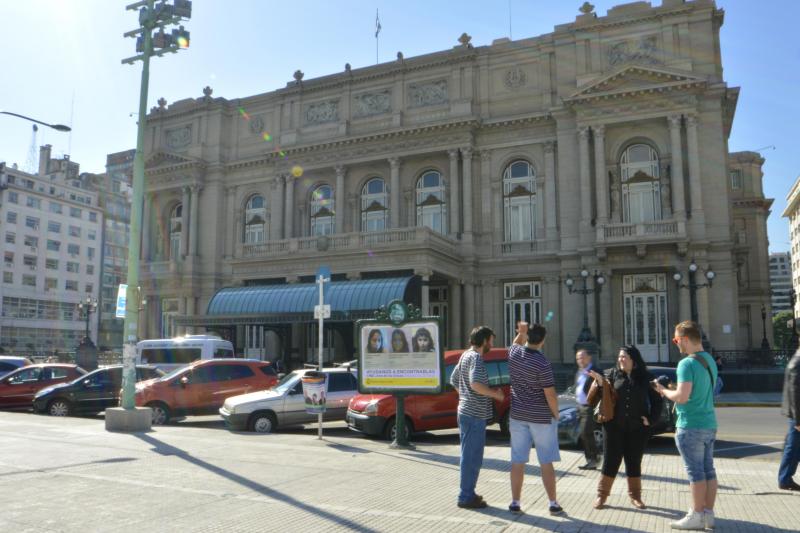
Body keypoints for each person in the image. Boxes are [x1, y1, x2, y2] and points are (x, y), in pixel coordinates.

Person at [655, 320, 718, 530]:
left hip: (690, 425)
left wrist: (663, 391)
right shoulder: (709, 360)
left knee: (695, 473)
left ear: (684, 339)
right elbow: (696, 391)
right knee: (709, 470)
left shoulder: (686, 364)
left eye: (675, 340)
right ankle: (708, 514)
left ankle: (696, 515)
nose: (675, 344)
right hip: (709, 423)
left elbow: (682, 397)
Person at [587, 345, 662, 510]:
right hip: (613, 427)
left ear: (633, 360)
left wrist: (651, 419)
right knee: (610, 462)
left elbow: (658, 401)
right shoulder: (611, 375)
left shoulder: (646, 378)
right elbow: (595, 398)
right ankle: (601, 496)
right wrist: (600, 384)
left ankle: (636, 497)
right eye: (620, 356)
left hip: (637, 429)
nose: (621, 359)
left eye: (625, 357)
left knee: (634, 462)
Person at [507, 322, 563, 516]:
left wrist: (521, 332)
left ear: (528, 337)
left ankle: (515, 502)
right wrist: (556, 414)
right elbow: (550, 394)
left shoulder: (514, 353)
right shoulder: (543, 363)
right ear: (543, 341)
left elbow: (515, 343)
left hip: (518, 415)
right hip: (540, 417)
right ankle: (553, 503)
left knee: (518, 461)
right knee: (546, 461)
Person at [450, 325, 504, 509]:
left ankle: (469, 493)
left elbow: (454, 379)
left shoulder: (465, 355)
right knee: (472, 456)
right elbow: (475, 384)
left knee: (470, 454)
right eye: (491, 340)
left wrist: (464, 397)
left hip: (466, 411)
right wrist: (495, 394)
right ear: (484, 341)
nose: (492, 344)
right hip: (473, 415)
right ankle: (465, 496)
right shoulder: (476, 359)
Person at [574, 349, 601, 470]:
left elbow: (602, 388)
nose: (580, 360)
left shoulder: (595, 371)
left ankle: (594, 459)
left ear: (589, 358)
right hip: (580, 407)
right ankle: (592, 459)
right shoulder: (579, 372)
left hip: (590, 407)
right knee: (583, 434)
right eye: (578, 358)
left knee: (586, 432)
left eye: (582, 357)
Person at [778, 348, 800, 491]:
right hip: (796, 415)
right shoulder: (797, 363)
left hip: (795, 414)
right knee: (793, 449)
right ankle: (785, 479)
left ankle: (785, 478)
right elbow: (794, 393)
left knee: (793, 447)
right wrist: (798, 420)